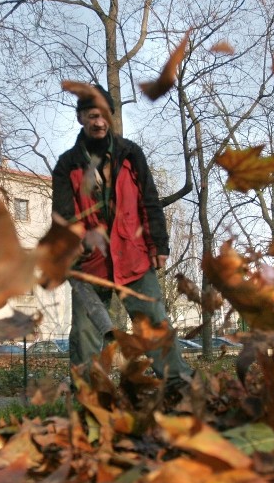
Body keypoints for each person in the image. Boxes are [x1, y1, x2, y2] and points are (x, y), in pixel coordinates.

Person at [51, 84, 192, 393]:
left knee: (154, 324)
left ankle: (178, 387)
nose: (98, 122)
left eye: (103, 115)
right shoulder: (66, 165)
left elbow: (149, 202)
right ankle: (89, 396)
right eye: (91, 115)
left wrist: (160, 246)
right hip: (90, 264)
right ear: (80, 119)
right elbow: (63, 217)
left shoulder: (131, 154)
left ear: (111, 118)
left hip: (134, 254)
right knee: (86, 335)